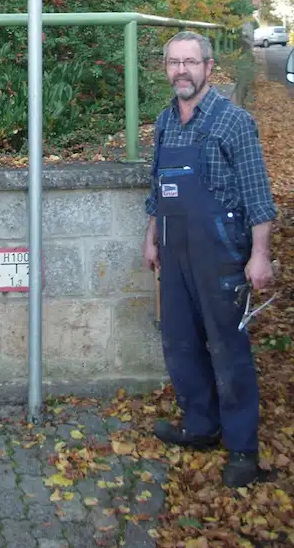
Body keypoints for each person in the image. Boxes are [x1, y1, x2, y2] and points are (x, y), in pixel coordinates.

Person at [143, 31, 276, 488]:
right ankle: (200, 425)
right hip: (174, 252)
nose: (181, 70)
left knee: (228, 350)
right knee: (179, 343)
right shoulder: (164, 122)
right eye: (174, 62)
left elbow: (259, 196)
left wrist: (260, 256)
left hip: (221, 255)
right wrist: (151, 236)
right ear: (166, 68)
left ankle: (242, 448)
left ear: (209, 67)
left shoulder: (233, 121)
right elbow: (158, 189)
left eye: (190, 62)